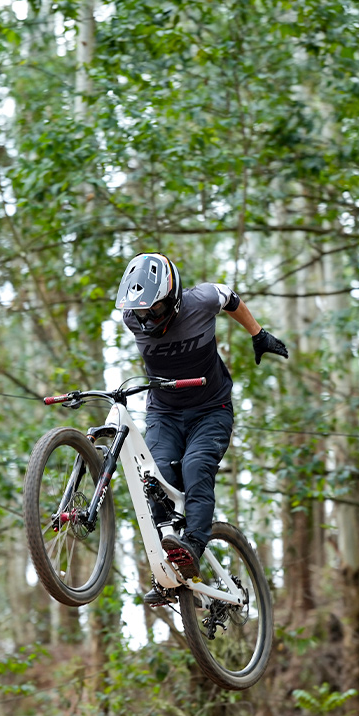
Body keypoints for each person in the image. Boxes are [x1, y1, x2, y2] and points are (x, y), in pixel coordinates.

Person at [115, 252, 289, 606]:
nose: (148, 320)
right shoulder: (132, 318)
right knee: (154, 478)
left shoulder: (203, 299)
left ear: (175, 297)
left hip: (211, 410)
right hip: (164, 413)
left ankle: (193, 545)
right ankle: (168, 573)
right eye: (142, 313)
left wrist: (258, 334)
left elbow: (233, 300)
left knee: (196, 467)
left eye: (156, 311)